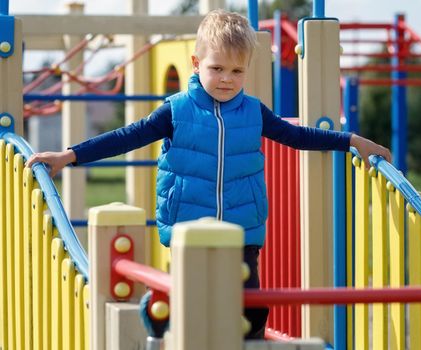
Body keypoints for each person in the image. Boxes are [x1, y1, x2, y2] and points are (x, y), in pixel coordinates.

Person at [26, 9, 391, 339]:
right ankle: (159, 320)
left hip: (242, 227)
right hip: (189, 227)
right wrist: (69, 156)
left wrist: (351, 140)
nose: (227, 79)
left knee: (251, 306)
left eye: (237, 71)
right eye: (217, 68)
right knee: (187, 304)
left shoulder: (253, 112)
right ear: (196, 63)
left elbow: (296, 136)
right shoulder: (176, 111)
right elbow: (127, 137)